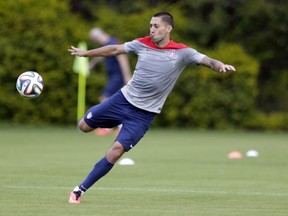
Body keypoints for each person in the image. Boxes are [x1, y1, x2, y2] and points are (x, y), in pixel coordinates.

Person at [68, 12, 236, 204]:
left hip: (143, 115)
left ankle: (79, 190)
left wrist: (220, 65)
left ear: (168, 28)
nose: (152, 29)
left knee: (116, 151)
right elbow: (115, 49)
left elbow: (208, 61)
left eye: (156, 26)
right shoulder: (142, 44)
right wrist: (86, 53)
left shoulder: (182, 52)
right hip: (122, 100)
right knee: (83, 126)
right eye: (151, 25)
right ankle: (98, 112)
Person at [88, 28, 131, 136]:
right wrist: (93, 63)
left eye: (94, 41)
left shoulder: (112, 43)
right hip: (114, 76)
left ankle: (107, 127)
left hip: (117, 76)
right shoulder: (109, 42)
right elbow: (103, 55)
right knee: (118, 102)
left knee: (104, 99)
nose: (95, 43)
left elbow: (122, 58)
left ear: (96, 38)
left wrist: (127, 76)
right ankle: (121, 127)